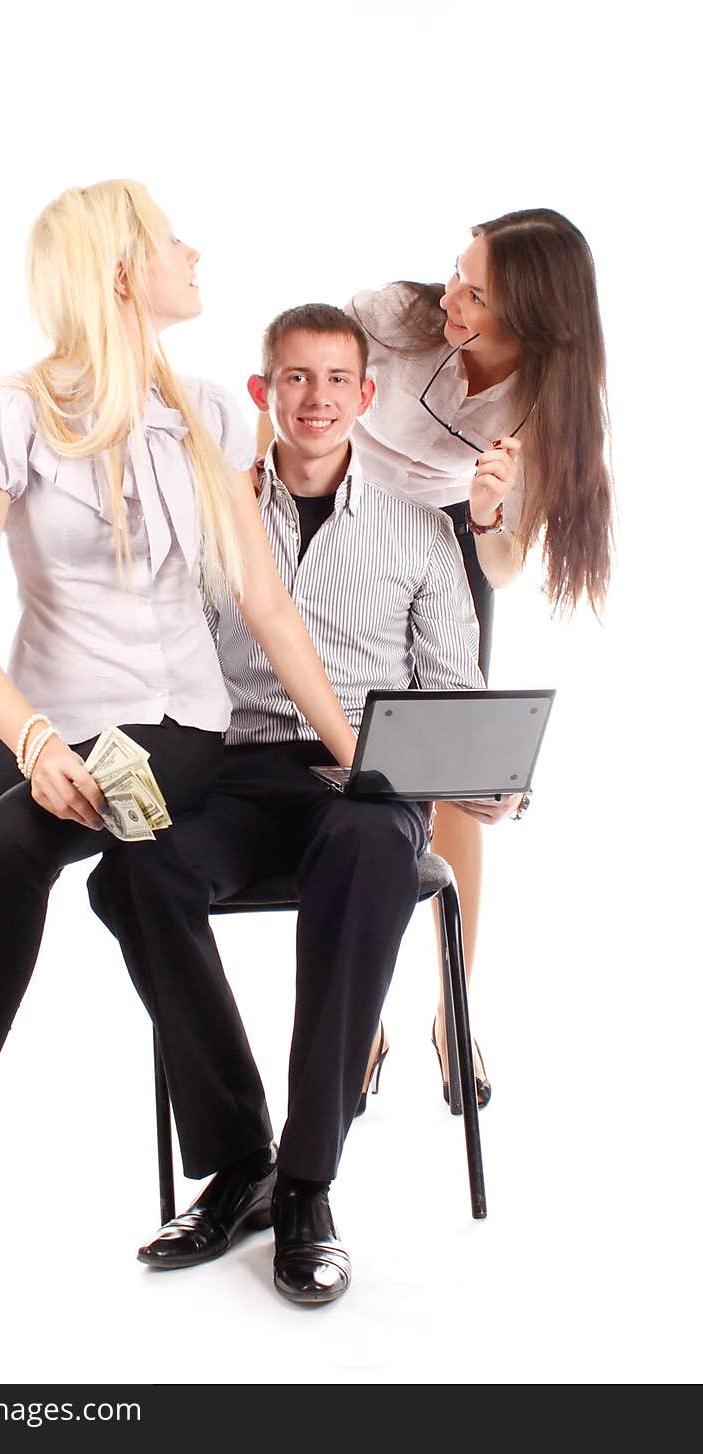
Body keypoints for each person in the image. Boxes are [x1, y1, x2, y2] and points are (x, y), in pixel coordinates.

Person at [0, 183, 358, 1330]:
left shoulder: (211, 421)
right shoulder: (6, 414)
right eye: (173, 240)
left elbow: (271, 613)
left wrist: (361, 757)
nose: (196, 251)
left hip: (172, 722)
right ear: (124, 274)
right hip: (45, 715)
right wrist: (28, 735)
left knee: (18, 840)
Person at [87, 304, 518, 1305]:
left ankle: (309, 1182)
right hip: (234, 775)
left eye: (335, 380)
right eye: (294, 379)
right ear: (261, 393)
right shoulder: (209, 522)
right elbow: (155, 670)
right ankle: (244, 1158)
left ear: (366, 399)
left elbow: (451, 690)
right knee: (131, 868)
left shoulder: (420, 533)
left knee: (370, 850)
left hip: (361, 785)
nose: (316, 398)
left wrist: (474, 775)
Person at [257, 208, 614, 1106]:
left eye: (478, 294)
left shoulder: (548, 408)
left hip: (444, 538)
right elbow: (308, 397)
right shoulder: (394, 317)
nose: (451, 297)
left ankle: (454, 1013)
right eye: (457, 273)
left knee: (447, 773)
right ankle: (358, 1012)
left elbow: (501, 563)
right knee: (332, 759)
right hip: (334, 511)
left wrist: (490, 509)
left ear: (532, 315)